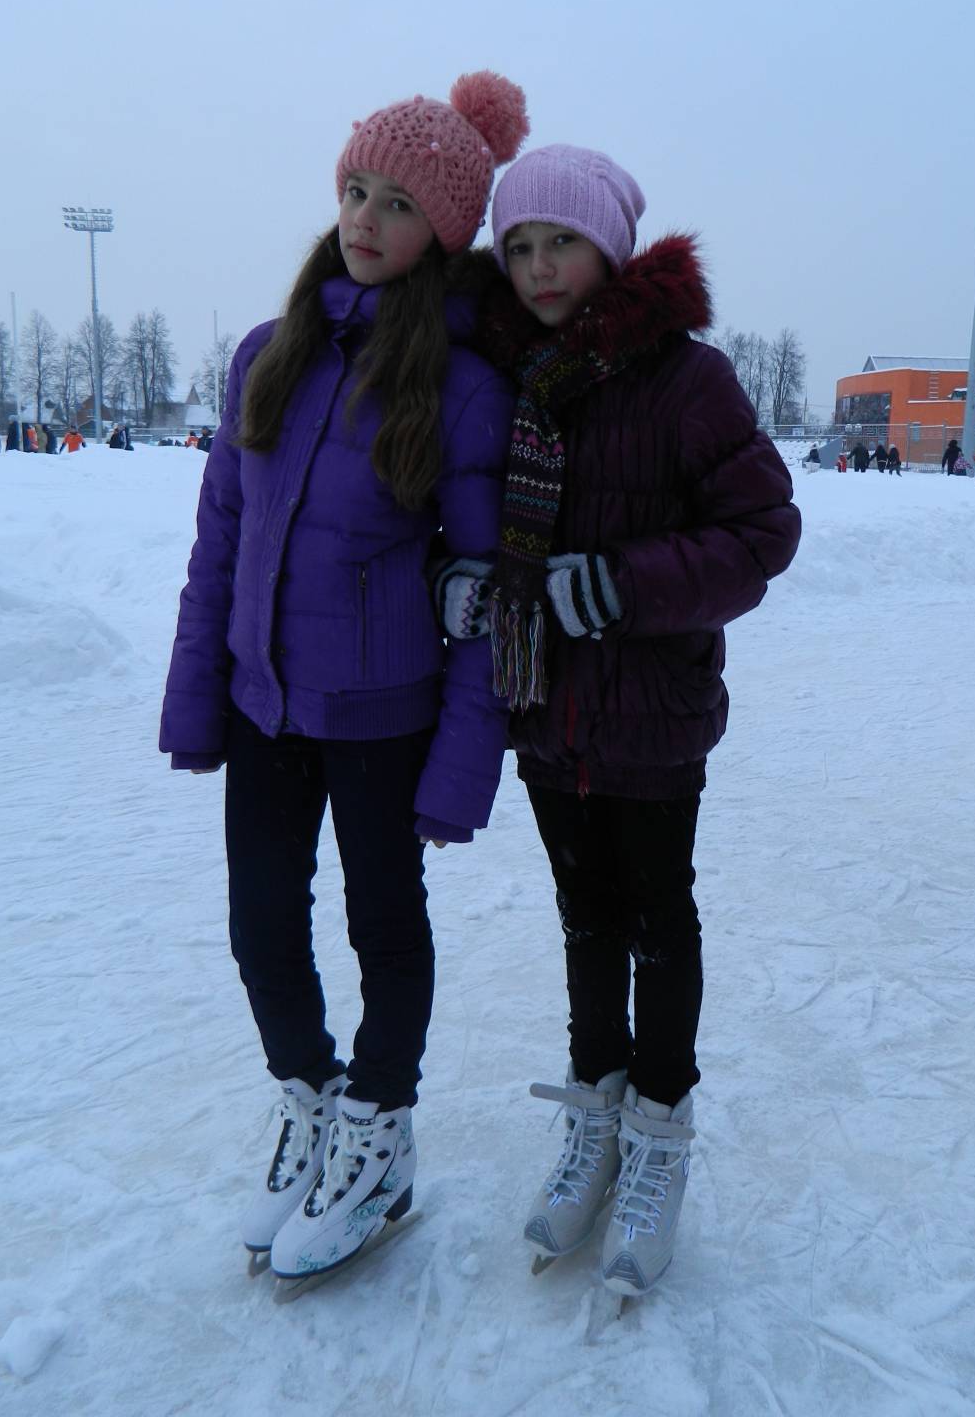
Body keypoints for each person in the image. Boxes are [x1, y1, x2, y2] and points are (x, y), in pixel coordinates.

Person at [159, 70, 528, 1287]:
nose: (367, 218)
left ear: (445, 232)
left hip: (383, 717)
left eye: (400, 204)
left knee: (384, 928)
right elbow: (221, 541)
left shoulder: (462, 387)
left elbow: (483, 590)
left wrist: (461, 765)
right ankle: (310, 1100)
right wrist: (198, 694)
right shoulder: (268, 356)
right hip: (264, 701)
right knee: (261, 923)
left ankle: (378, 1133)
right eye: (357, 189)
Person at [435, 144, 801, 1298]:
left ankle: (659, 1133)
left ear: (613, 249)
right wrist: (458, 580)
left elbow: (763, 532)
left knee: (658, 920)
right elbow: (459, 512)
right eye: (521, 246)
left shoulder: (687, 381)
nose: (541, 267)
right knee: (583, 919)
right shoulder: (505, 376)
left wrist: (624, 584)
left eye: (565, 242)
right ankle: (595, 1115)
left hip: (651, 714)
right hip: (544, 707)